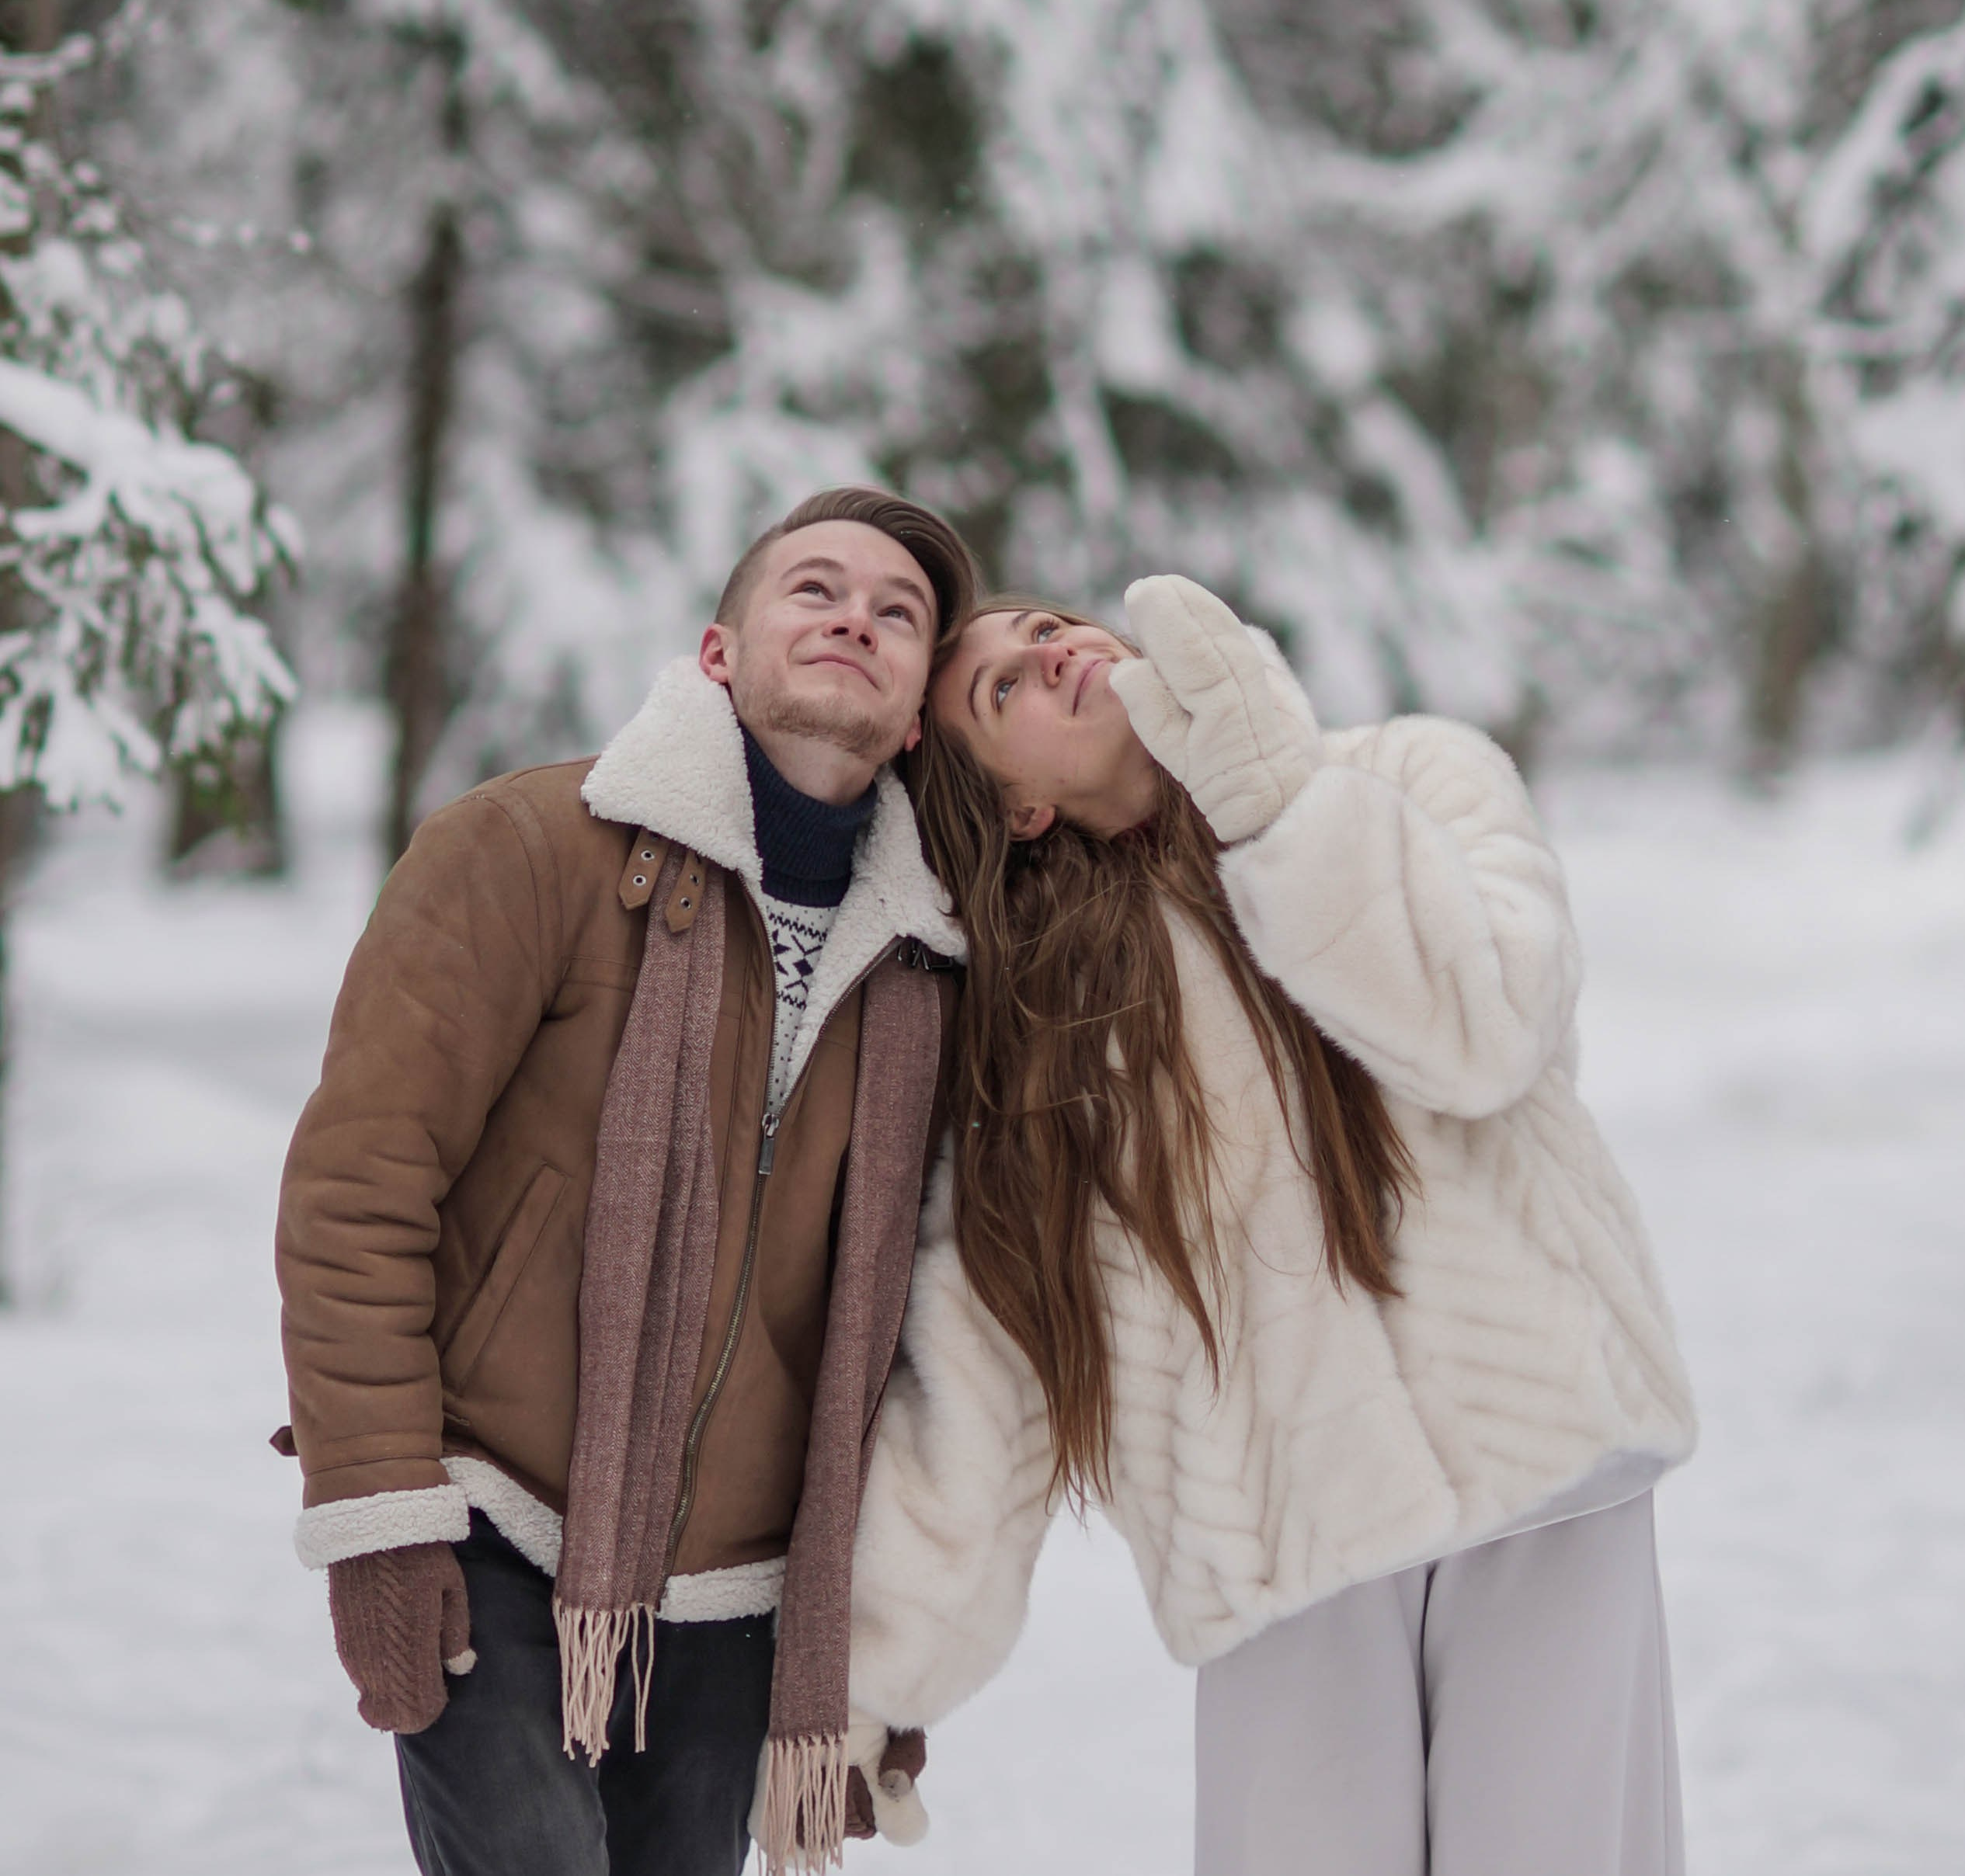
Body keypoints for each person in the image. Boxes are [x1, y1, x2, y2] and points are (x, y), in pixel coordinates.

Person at [849, 575, 1699, 1876]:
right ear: (1015, 807)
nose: (1051, 653)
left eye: (1043, 628)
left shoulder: (1412, 779)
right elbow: (981, 1358)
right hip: (1281, 1558)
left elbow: (1486, 1038)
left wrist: (1272, 801)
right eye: (1000, 690)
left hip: (1543, 1476)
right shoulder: (1031, 1039)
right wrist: (870, 1672)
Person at [275, 485, 978, 1876]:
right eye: (815, 589)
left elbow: (930, 1330)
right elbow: (358, 1192)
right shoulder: (530, 848)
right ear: (719, 652)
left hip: (741, 1591)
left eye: (898, 613)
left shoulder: (929, 970)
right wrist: (378, 1518)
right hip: (494, 1520)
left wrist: (886, 1629)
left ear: (911, 716)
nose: (856, 617)